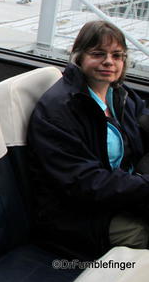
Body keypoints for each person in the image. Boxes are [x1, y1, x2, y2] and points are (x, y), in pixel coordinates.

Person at [28, 20, 149, 259]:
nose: (108, 61)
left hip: (118, 193)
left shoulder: (119, 94)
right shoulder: (59, 110)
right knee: (143, 233)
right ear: (79, 57)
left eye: (117, 55)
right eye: (98, 54)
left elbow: (142, 121)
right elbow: (85, 182)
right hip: (77, 216)